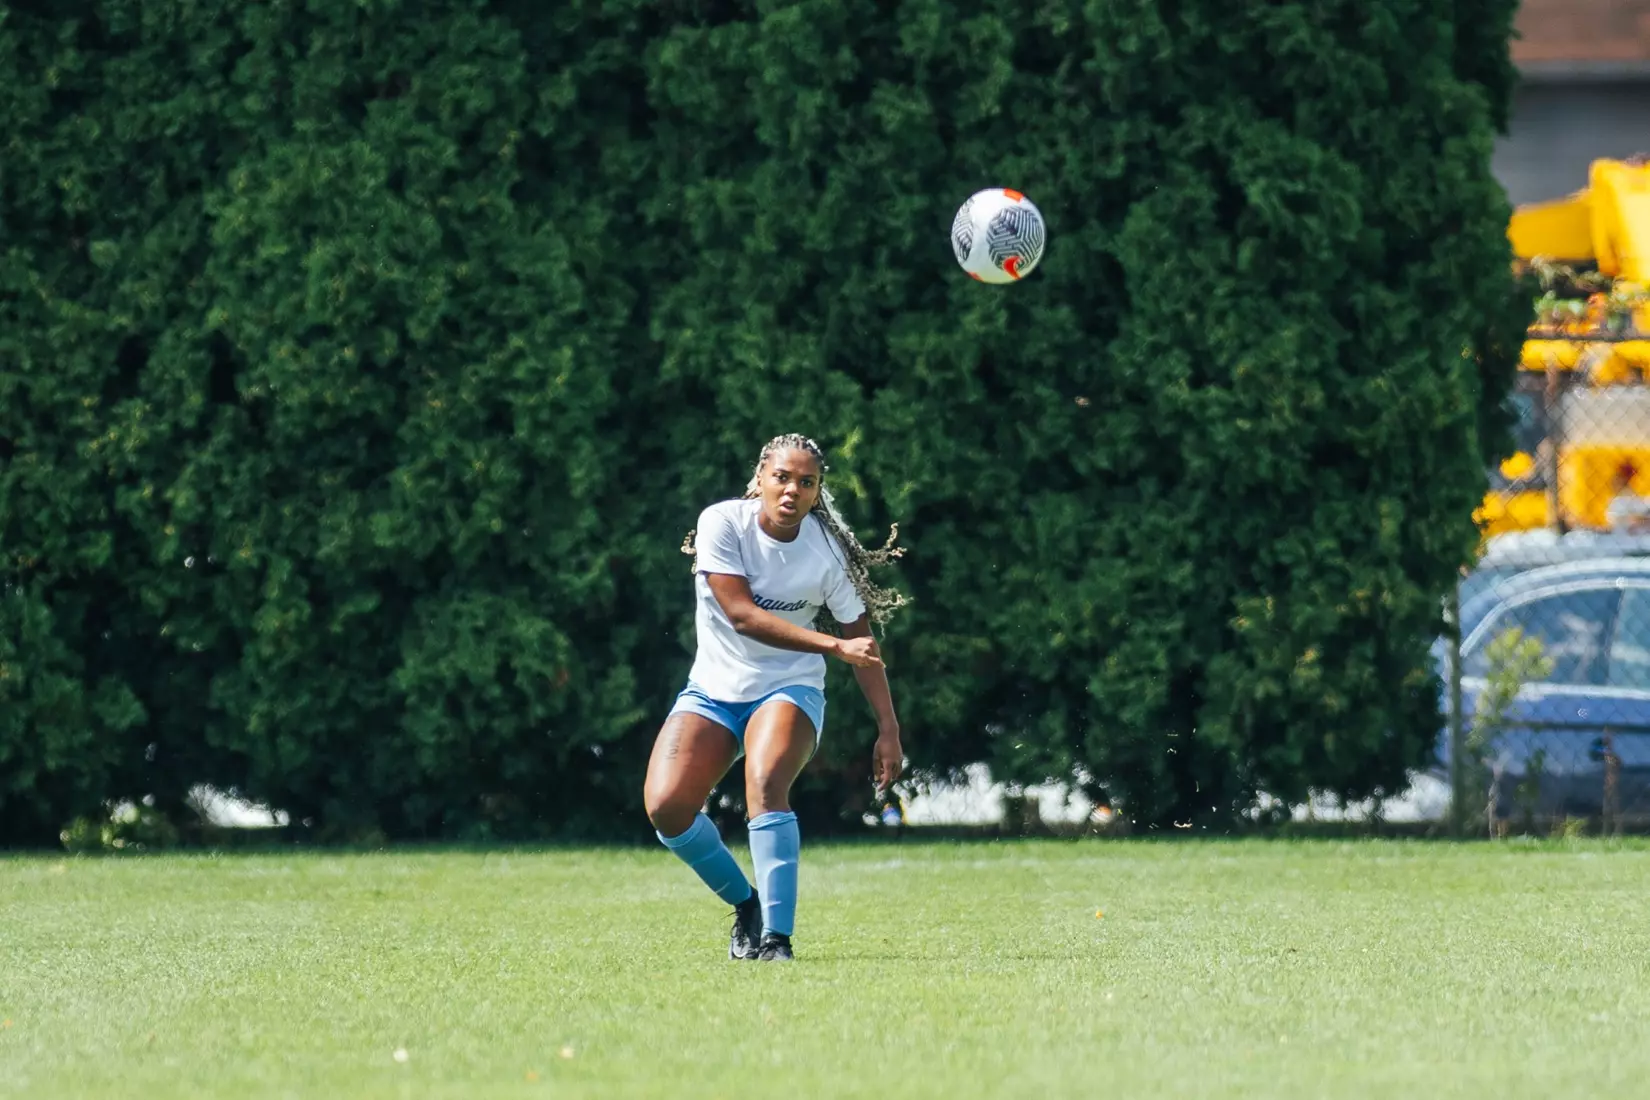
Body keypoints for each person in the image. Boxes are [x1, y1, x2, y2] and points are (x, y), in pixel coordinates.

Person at [644, 433, 907, 962]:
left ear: (817, 493)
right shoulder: (722, 523)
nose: (792, 490)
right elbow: (742, 615)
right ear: (761, 477)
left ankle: (776, 942)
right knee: (667, 807)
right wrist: (833, 643)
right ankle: (749, 906)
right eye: (782, 477)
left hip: (790, 687)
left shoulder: (826, 550)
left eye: (806, 483)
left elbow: (865, 643)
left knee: (764, 782)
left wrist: (888, 728)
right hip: (714, 689)